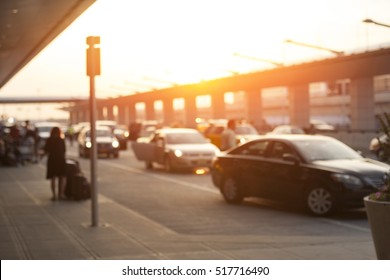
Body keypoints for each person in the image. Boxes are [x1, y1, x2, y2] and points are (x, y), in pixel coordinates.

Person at [43, 127, 66, 201]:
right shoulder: (61, 140)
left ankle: (54, 195)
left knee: (53, 178)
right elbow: (64, 150)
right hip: (61, 160)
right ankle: (61, 194)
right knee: (62, 177)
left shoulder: (49, 140)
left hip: (52, 160)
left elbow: (46, 150)